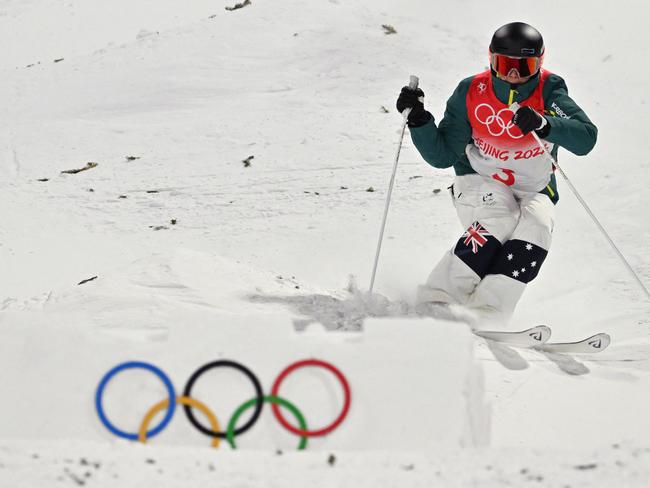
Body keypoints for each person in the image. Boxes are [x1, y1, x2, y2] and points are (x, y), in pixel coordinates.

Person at [396, 22, 597, 325]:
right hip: (479, 178)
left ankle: (488, 312)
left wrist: (546, 124)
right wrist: (420, 121)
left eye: (524, 66)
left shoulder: (550, 89)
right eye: (504, 65)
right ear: (491, 60)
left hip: (535, 187)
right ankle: (439, 297)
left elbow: (586, 138)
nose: (513, 74)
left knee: (538, 228)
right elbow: (442, 156)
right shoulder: (471, 91)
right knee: (501, 214)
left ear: (539, 63)